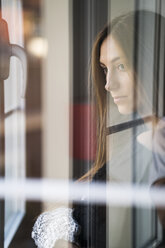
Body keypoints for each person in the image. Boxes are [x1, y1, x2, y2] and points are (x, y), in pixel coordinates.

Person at [32, 10, 165, 248]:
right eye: (105, 68)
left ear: (151, 63)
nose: (108, 84)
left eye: (121, 65)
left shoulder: (157, 147)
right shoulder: (131, 132)